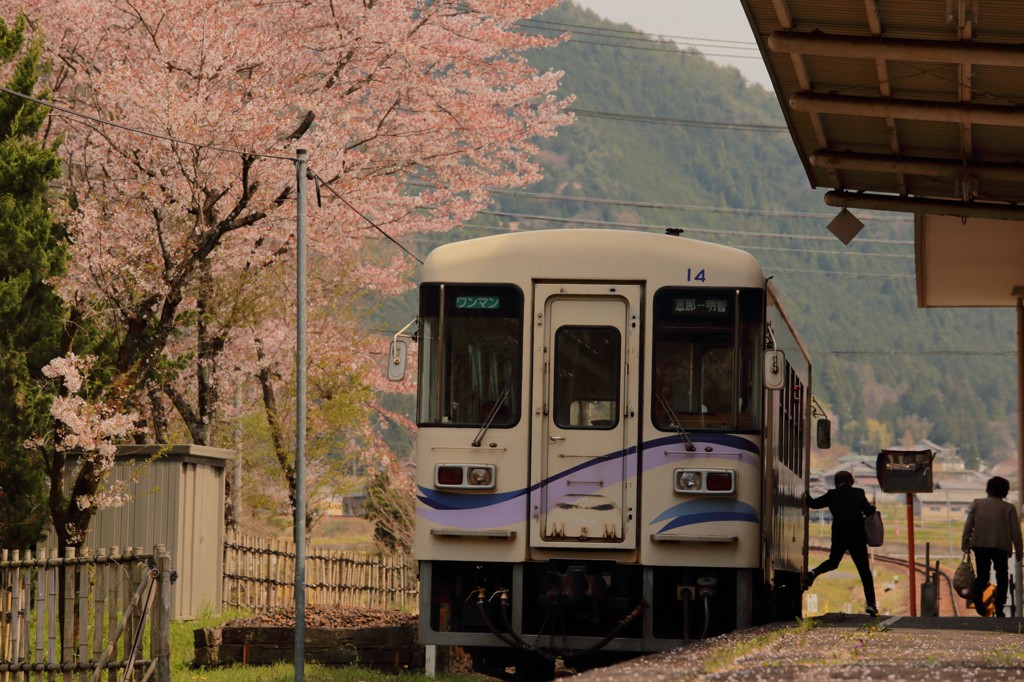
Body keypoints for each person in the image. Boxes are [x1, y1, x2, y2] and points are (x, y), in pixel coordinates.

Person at [803, 470, 878, 616]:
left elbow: (813, 504)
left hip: (839, 534)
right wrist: (872, 507)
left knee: (833, 562)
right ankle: (871, 605)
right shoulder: (859, 493)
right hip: (856, 536)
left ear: (836, 482)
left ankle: (813, 572)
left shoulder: (832, 494)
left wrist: (805, 493)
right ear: (851, 481)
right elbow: (869, 511)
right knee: (864, 571)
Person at [960, 475, 1023, 617]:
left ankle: (977, 594)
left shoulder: (976, 504)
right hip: (1000, 547)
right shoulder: (1009, 508)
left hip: (980, 544)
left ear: (987, 489)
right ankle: (999, 608)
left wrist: (965, 544)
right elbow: (1016, 532)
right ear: (1005, 492)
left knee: (983, 574)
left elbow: (968, 525)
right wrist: (1019, 551)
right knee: (1002, 577)